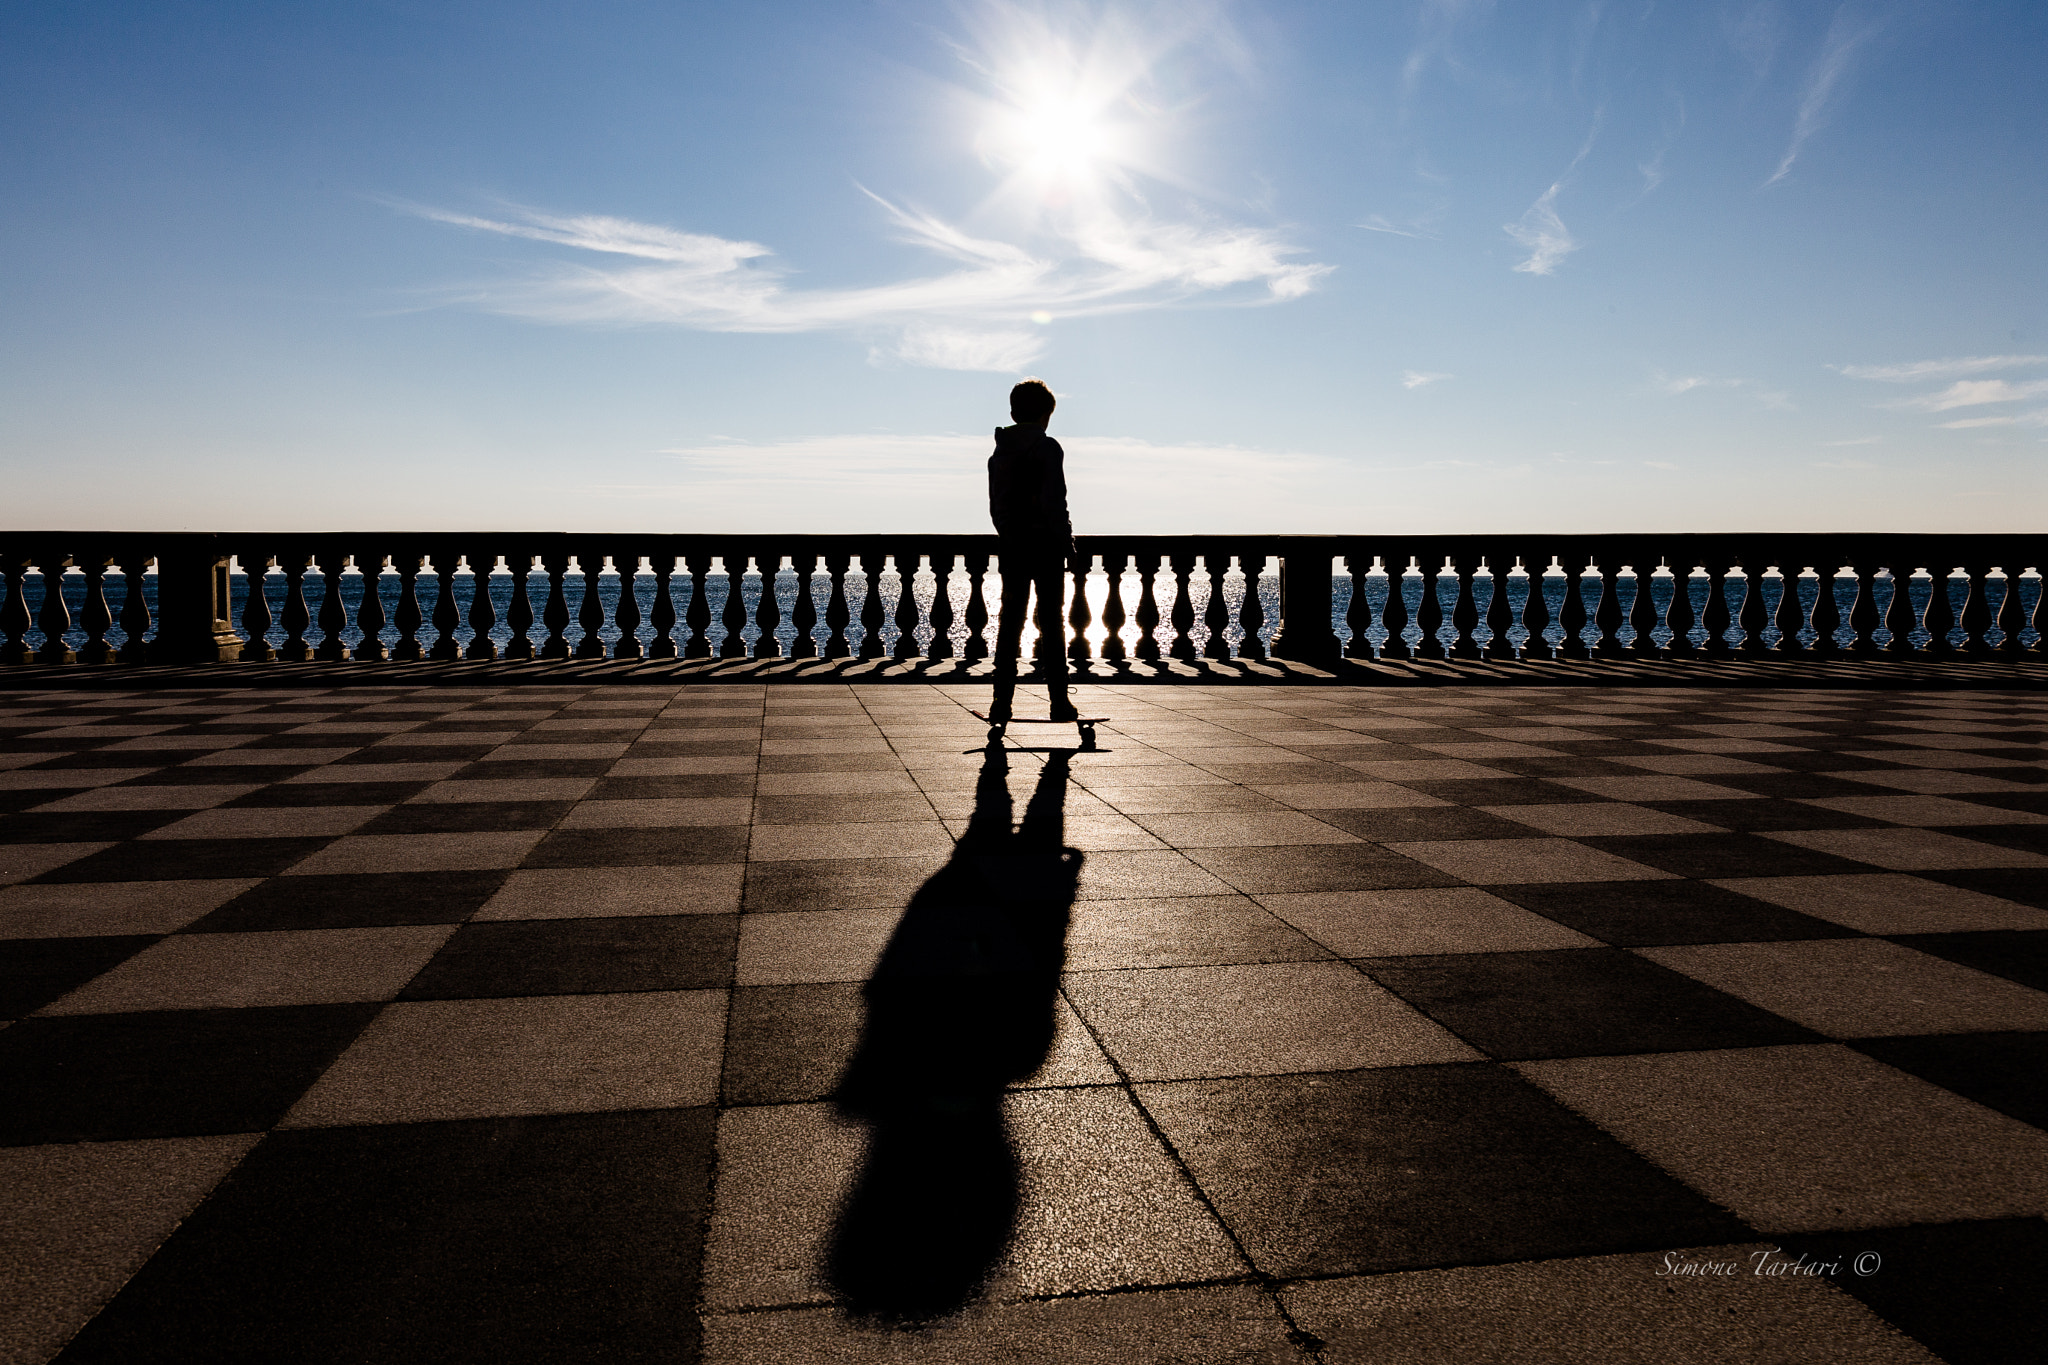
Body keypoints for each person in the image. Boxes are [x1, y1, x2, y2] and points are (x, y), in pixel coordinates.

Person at [986, 378, 1076, 723]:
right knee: (1052, 624)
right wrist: (1065, 539)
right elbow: (1056, 500)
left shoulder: (1000, 451)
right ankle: (1059, 702)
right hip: (1046, 546)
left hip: (1012, 545)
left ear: (1012, 411)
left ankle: (1001, 702)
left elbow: (997, 506)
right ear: (1045, 415)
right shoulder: (1048, 447)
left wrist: (1008, 532)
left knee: (1010, 624)